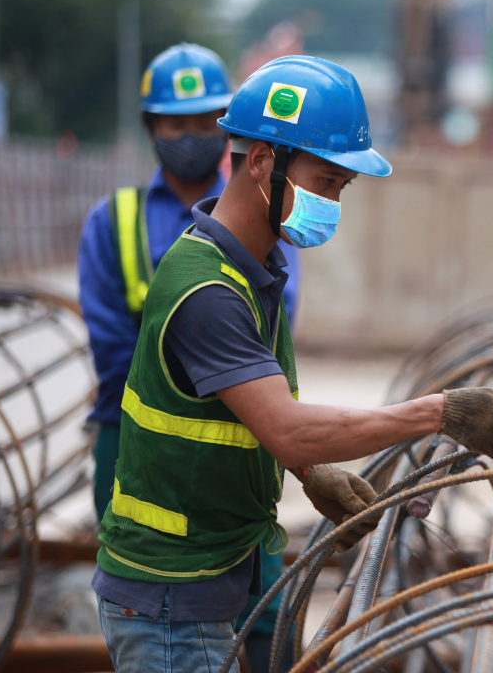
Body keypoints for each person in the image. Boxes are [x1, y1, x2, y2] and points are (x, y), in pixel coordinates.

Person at [90, 54, 493, 673]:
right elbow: (283, 424)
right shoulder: (210, 294)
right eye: (325, 182)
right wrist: (442, 413)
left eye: (340, 187)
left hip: (206, 571)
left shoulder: (252, 271)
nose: (333, 201)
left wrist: (309, 472)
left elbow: (243, 411)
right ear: (260, 162)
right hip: (173, 593)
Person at [78, 42, 302, 672]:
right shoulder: (114, 221)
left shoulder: (267, 214)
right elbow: (114, 346)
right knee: (152, 600)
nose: (193, 136)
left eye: (208, 122)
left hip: (246, 438)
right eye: (177, 124)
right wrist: (196, 374)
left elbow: (273, 330)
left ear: (230, 130)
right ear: (152, 130)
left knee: (262, 615)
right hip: (133, 433)